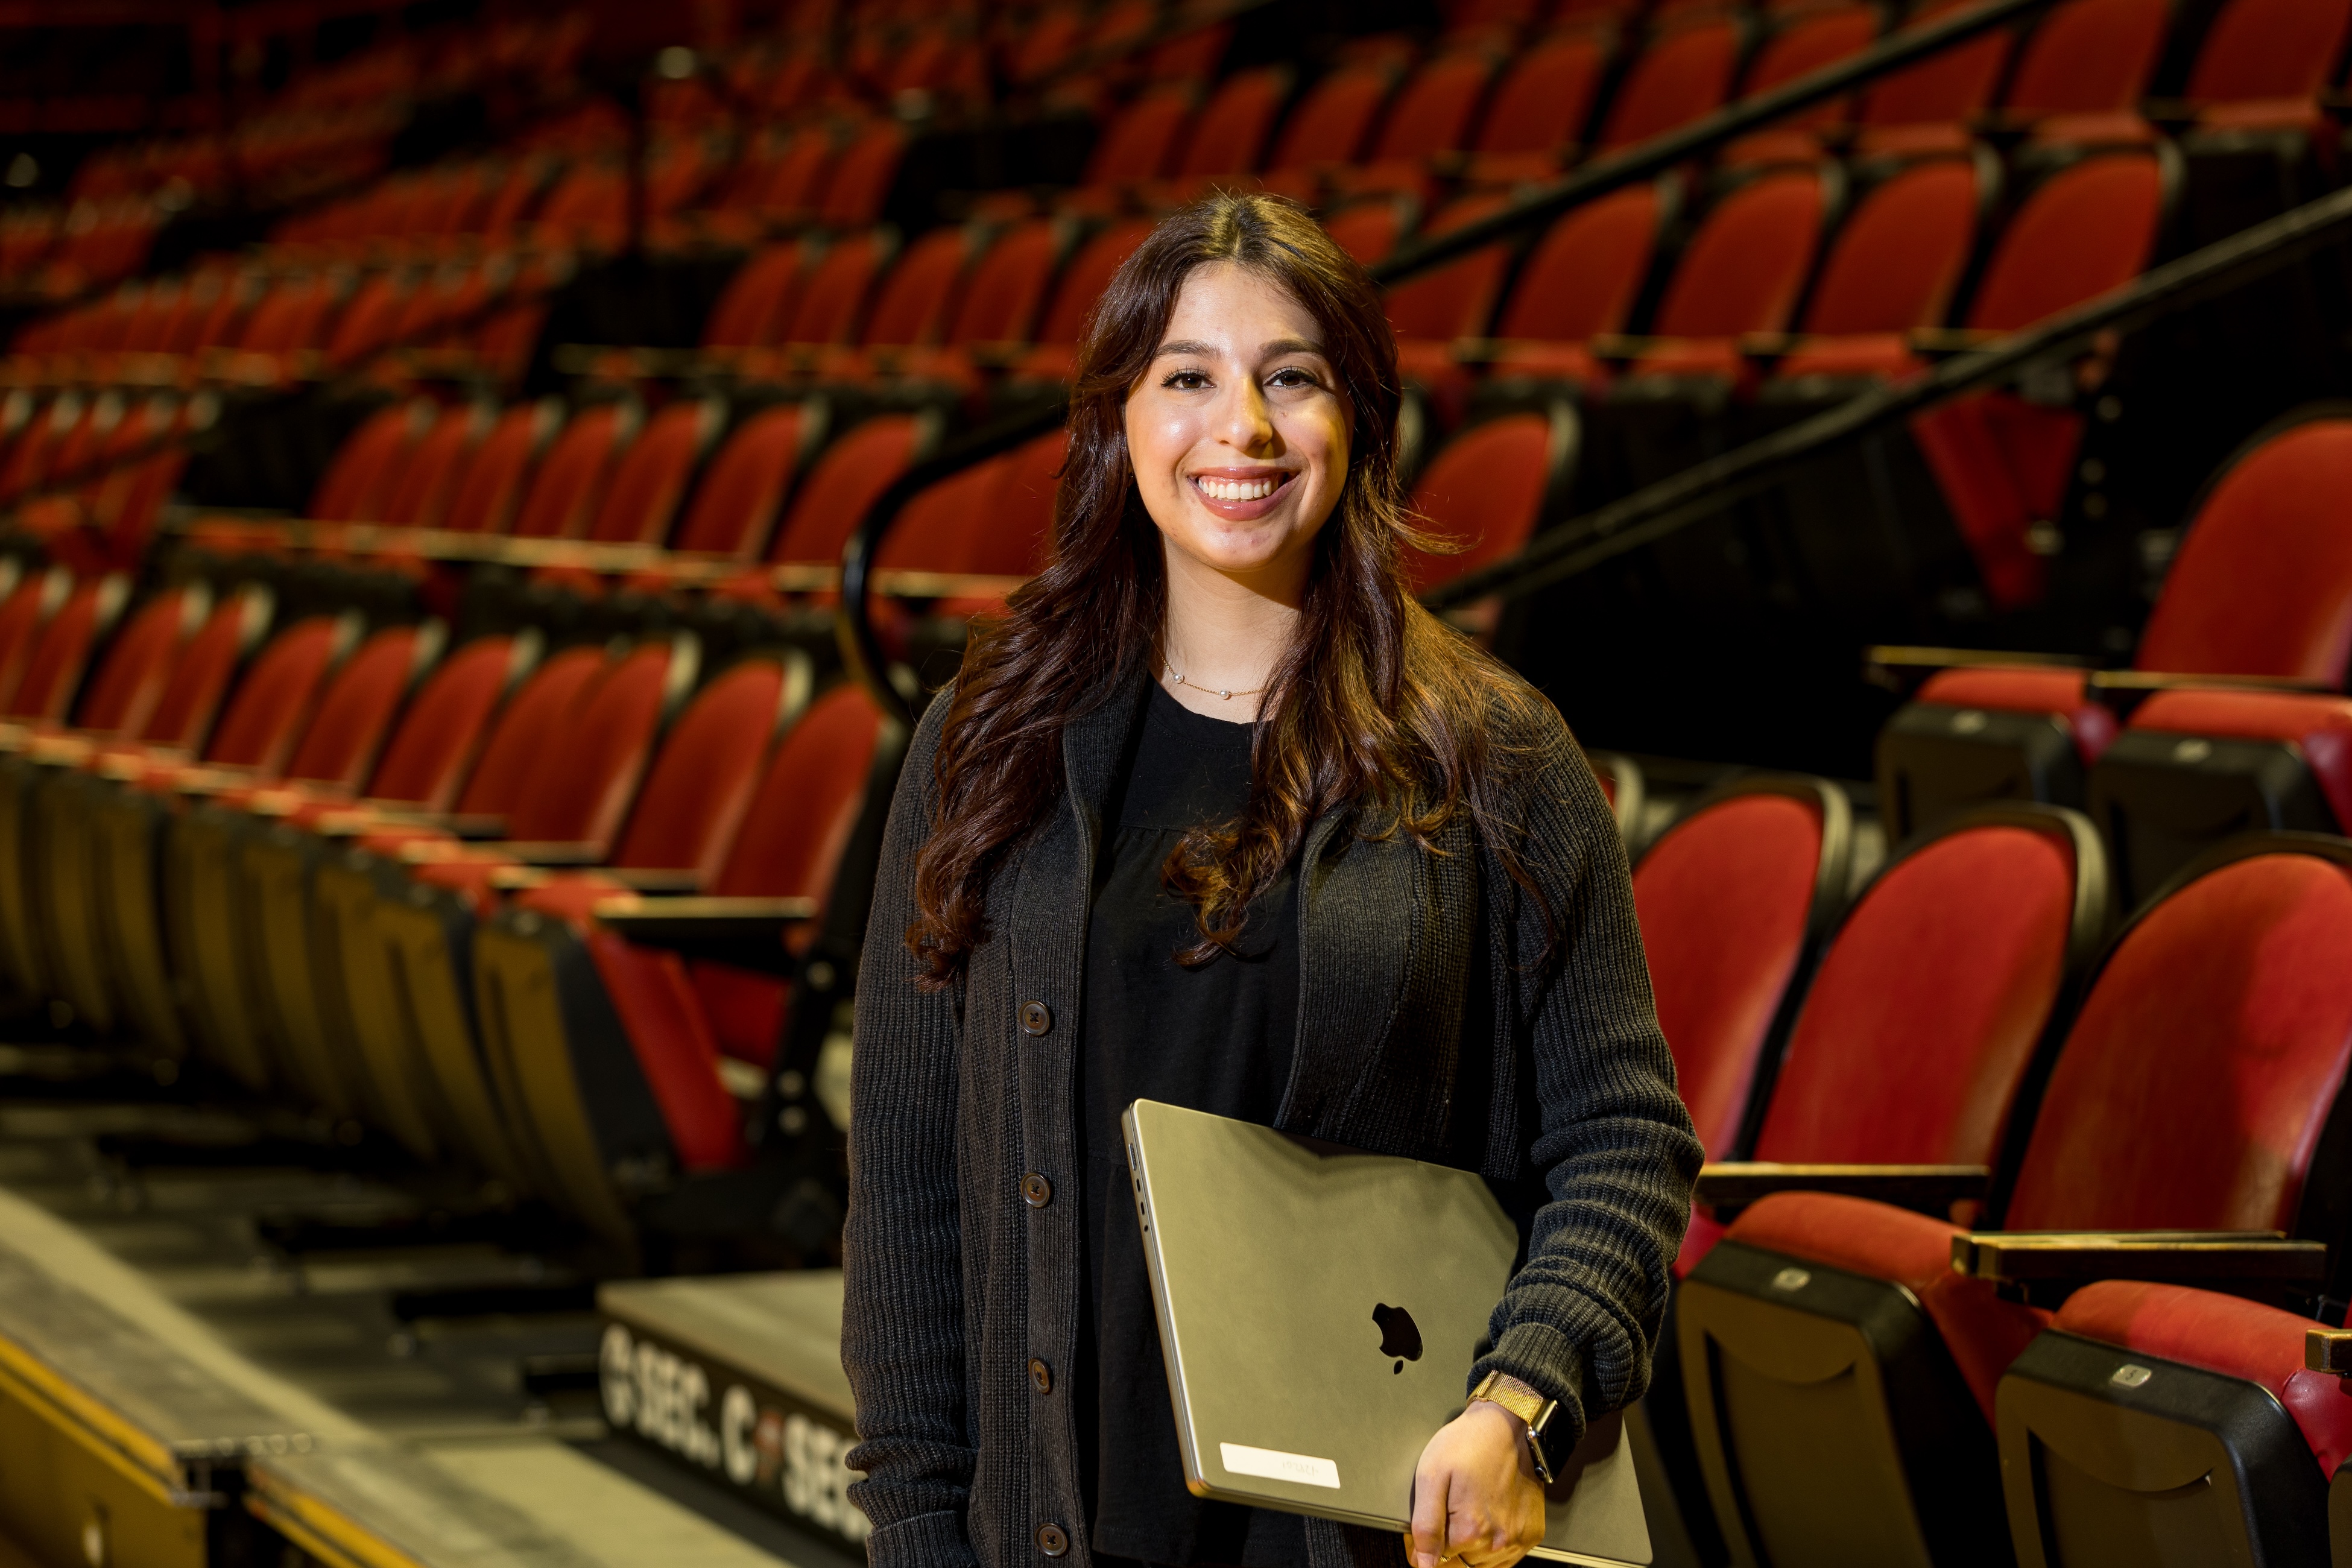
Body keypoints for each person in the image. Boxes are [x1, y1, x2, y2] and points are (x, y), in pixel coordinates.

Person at [841, 191, 1698, 1568]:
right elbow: (907, 1193)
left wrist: (1521, 1399)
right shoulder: (988, 745)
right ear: (1118, 420)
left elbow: (1623, 1138)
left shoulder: (1494, 752)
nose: (1239, 427)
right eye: (1187, 377)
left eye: (1289, 378)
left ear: (1355, 417)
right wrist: (920, 1534)